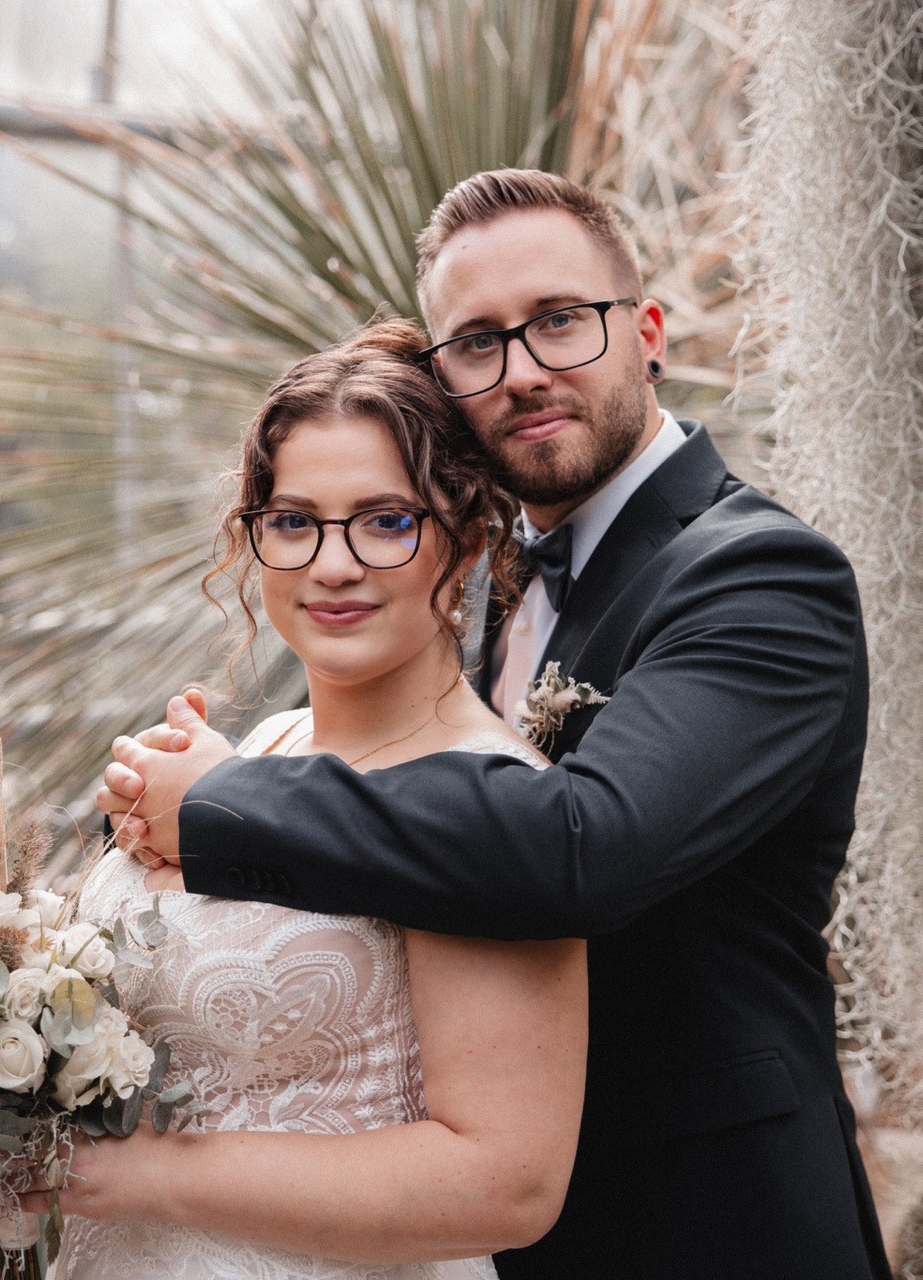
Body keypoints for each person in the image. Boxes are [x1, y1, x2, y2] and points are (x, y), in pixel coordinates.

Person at [98, 170, 893, 1280]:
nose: (522, 372)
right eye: (477, 341)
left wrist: (225, 803)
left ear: (647, 336)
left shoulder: (760, 573)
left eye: (560, 320)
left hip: (708, 1221)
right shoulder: (479, 575)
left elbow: (585, 847)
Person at [35, 319, 589, 1279]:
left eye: (386, 521)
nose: (333, 565)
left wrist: (127, 1176)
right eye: (294, 521)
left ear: (464, 543)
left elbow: (503, 1185)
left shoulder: (488, 807)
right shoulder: (256, 753)